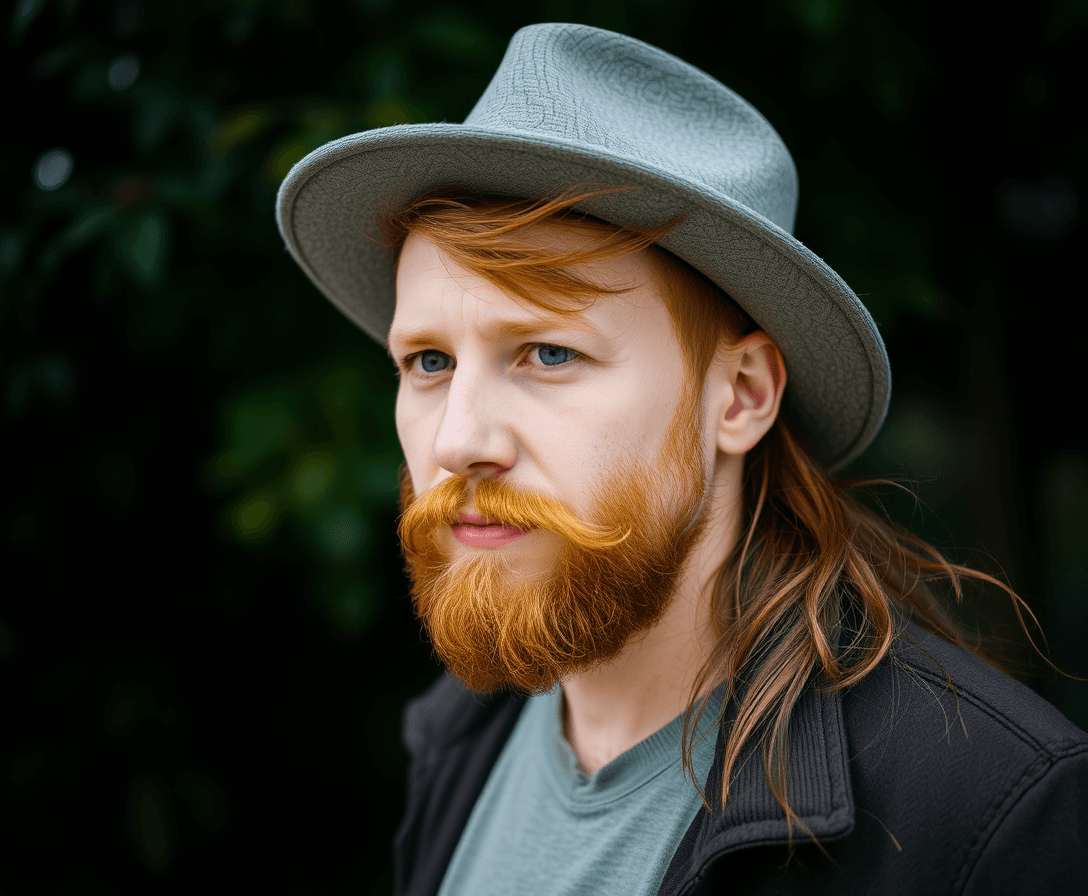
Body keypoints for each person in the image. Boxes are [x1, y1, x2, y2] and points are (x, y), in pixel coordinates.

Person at [276, 22, 1088, 896]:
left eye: (548, 353)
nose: (458, 440)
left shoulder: (983, 815)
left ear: (739, 396)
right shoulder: (456, 739)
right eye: (429, 363)